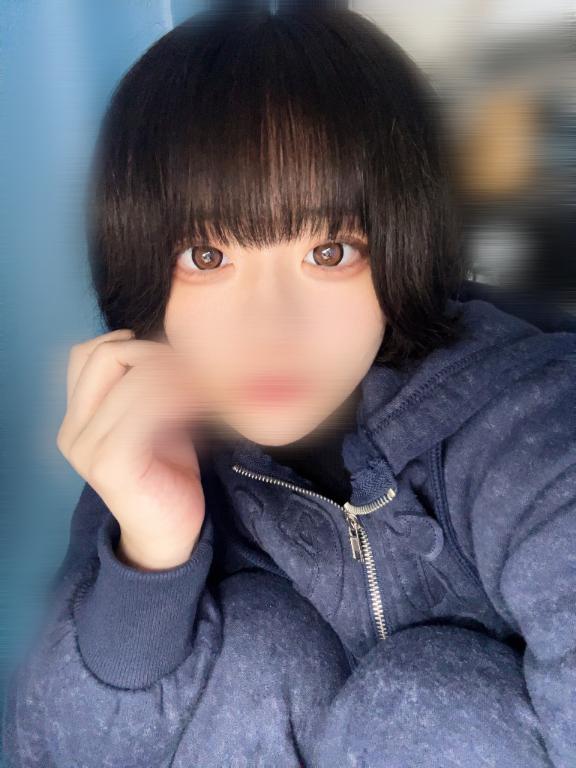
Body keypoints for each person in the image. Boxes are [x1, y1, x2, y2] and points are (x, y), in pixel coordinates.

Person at [3, 2, 575, 766]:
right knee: (254, 644)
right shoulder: (161, 439)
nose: (269, 328)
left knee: (433, 701)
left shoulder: (532, 425)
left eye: (329, 252)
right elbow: (58, 753)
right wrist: (153, 552)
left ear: (404, 247)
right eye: (207, 258)